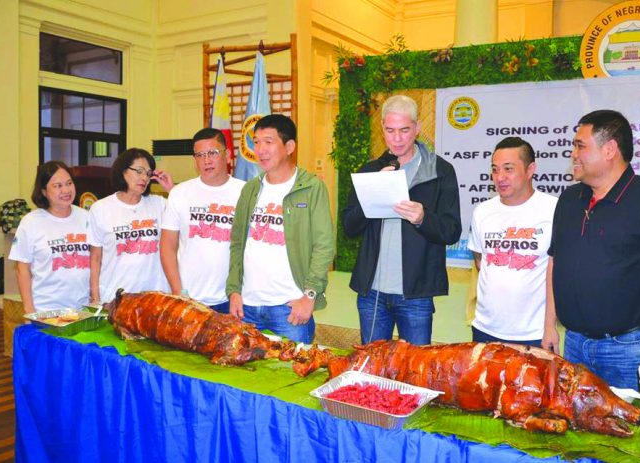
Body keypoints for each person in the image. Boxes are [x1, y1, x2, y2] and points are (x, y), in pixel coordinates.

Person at [543, 109, 640, 389]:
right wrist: (550, 325)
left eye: (580, 145)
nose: (573, 153)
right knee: (575, 429)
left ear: (609, 149)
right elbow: (554, 263)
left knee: (630, 431)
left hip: (630, 351)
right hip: (574, 346)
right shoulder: (570, 199)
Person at [343, 95, 461, 345]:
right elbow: (349, 226)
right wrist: (373, 192)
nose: (397, 138)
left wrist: (423, 218)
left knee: (415, 372)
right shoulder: (370, 170)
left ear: (417, 128)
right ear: (383, 128)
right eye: (390, 130)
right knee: (372, 372)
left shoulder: (440, 171)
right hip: (372, 293)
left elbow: (452, 231)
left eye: (404, 130)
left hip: (416, 295)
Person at [226, 114, 334, 343]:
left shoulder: (312, 188)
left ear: (289, 146)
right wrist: (234, 291)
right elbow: (237, 243)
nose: (260, 149)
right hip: (248, 308)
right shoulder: (250, 189)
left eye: (268, 141)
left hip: (290, 309)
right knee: (245, 377)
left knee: (294, 376)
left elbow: (324, 246)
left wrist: (310, 296)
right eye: (256, 142)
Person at [468, 137, 557, 346]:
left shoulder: (553, 209)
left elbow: (559, 272)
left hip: (534, 333)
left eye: (508, 169)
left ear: (530, 169)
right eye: (495, 169)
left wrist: (549, 327)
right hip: (485, 330)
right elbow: (481, 262)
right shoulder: (483, 211)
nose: (500, 177)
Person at [160, 128, 245, 313]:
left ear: (228, 155)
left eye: (213, 153)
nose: (206, 160)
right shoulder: (180, 193)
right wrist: (177, 291)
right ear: (195, 160)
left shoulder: (245, 192)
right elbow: (167, 245)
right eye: (200, 155)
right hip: (189, 297)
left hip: (232, 298)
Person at [88, 148, 173, 304]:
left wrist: (171, 190)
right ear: (123, 171)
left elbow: (186, 218)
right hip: (116, 298)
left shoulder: (159, 204)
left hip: (156, 299)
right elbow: (95, 258)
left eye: (148, 173)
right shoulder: (100, 208)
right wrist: (95, 298)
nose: (144, 178)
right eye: (139, 171)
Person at [9, 161, 90, 313]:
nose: (66, 190)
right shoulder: (31, 222)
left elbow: (97, 260)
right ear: (44, 191)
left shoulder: (86, 217)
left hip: (83, 311)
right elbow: (22, 269)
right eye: (57, 186)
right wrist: (29, 310)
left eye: (69, 183)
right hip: (46, 311)